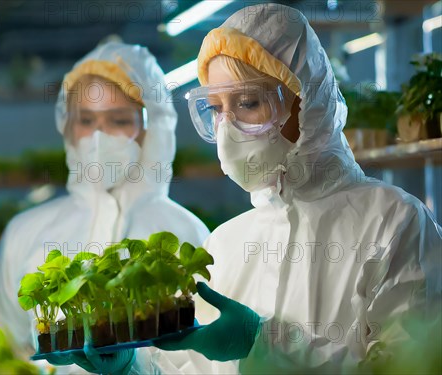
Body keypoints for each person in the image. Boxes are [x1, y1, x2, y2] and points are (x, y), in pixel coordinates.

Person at [151, 3, 442, 374]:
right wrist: (133, 368)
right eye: (215, 109)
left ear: (309, 103)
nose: (228, 128)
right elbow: (185, 367)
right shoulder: (223, 245)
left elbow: (408, 367)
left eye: (249, 103)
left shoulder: (394, 222)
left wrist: (265, 345)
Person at [0, 42, 210, 373]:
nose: (99, 137)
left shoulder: (186, 233)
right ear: (68, 128)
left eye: (118, 120)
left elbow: (207, 364)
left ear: (153, 127)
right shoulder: (26, 231)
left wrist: (135, 369)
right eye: (86, 120)